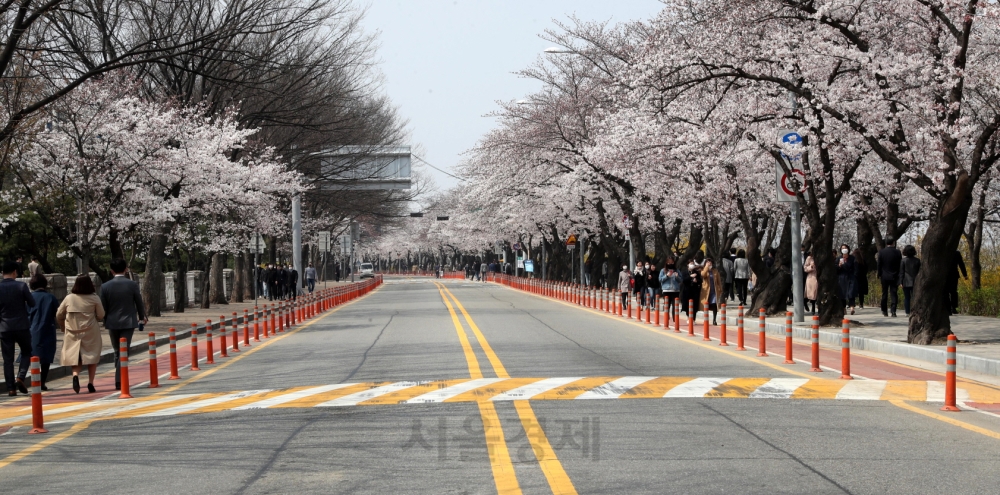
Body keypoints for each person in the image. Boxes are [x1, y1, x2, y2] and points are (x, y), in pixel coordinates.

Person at [101, 259, 147, 390]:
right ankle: (119, 378)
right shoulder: (132, 284)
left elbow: (103, 307)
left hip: (112, 321)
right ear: (126, 269)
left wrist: (105, 320)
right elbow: (139, 302)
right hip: (128, 322)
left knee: (117, 351)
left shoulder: (105, 286)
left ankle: (119, 378)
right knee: (124, 350)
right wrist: (142, 318)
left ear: (111, 271)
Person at [58, 274, 105, 393]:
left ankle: (75, 375)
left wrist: (63, 327)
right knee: (92, 356)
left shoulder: (69, 298)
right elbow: (101, 315)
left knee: (75, 356)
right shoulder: (94, 298)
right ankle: (90, 382)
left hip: (72, 331)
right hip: (90, 331)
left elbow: (59, 314)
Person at [0, 261, 34, 396]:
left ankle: (11, 389)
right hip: (22, 326)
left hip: (4, 327)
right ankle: (20, 376)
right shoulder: (21, 286)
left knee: (7, 359)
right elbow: (32, 302)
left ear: (3, 273)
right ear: (15, 272)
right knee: (27, 351)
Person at [24, 274, 57, 390]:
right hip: (48, 329)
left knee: (31, 355)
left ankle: (26, 378)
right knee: (46, 357)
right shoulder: (51, 298)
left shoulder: (29, 298)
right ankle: (42, 382)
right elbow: (56, 313)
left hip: (31, 329)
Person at [876, 238, 902, 317]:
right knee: (894, 293)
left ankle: (884, 310)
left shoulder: (882, 252)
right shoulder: (897, 252)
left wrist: (879, 274)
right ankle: (893, 311)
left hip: (884, 275)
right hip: (894, 275)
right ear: (893, 242)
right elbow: (900, 264)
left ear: (886, 243)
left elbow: (879, 264)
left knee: (885, 293)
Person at [700, 258, 724, 326]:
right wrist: (706, 268)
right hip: (706, 291)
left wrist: (720, 289)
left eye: (710, 262)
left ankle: (714, 320)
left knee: (714, 305)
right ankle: (706, 319)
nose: (709, 264)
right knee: (706, 305)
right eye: (708, 262)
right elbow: (703, 275)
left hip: (714, 291)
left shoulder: (715, 271)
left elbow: (718, 281)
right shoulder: (703, 270)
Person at [900, 245, 921, 316]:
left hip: (905, 281)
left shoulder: (903, 261)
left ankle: (907, 312)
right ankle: (915, 311)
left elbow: (902, 272)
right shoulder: (917, 261)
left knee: (907, 297)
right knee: (915, 297)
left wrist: (901, 282)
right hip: (915, 281)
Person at [837, 244, 857, 315]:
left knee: (851, 293)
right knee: (842, 294)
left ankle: (852, 308)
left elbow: (854, 268)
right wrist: (839, 266)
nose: (844, 249)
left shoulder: (852, 258)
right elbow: (836, 269)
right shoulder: (839, 258)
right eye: (842, 248)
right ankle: (843, 308)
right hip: (842, 278)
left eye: (845, 248)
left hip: (850, 277)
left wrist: (845, 264)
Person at [947, 250, 968, 314]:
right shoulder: (956, 253)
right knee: (953, 292)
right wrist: (965, 274)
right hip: (954, 274)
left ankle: (949, 308)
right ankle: (953, 308)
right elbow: (961, 264)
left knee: (946, 292)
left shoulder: (944, 251)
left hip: (945, 275)